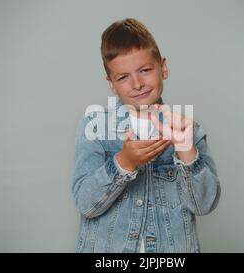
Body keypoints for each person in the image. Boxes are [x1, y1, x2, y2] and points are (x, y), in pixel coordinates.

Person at [72, 18, 221, 253]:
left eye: (145, 70)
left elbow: (204, 205)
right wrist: (124, 163)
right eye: (123, 77)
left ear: (163, 68)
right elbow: (85, 204)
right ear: (111, 83)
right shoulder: (96, 128)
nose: (137, 83)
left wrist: (186, 151)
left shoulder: (189, 130)